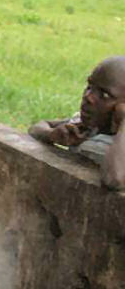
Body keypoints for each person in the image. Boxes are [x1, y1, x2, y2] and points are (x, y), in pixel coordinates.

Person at [29, 56, 125, 190]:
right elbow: (37, 127)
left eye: (104, 95)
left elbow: (115, 179)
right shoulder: (88, 126)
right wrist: (51, 134)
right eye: (90, 87)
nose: (88, 97)